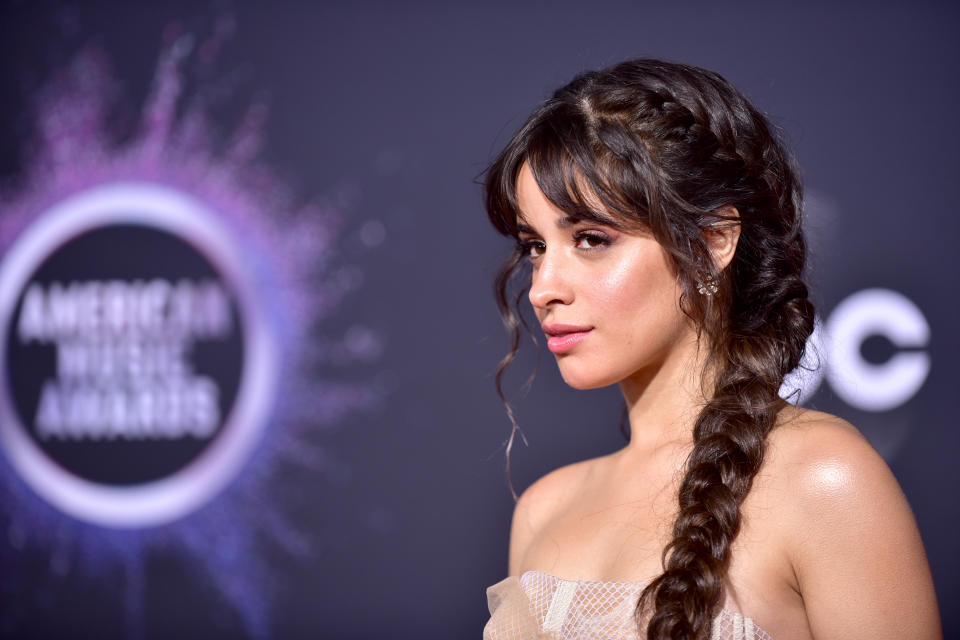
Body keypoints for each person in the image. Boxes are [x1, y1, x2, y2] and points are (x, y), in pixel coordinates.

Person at [480, 59, 941, 640]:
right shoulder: (541, 512)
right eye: (535, 246)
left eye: (591, 240)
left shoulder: (824, 479)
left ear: (713, 241)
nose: (544, 288)